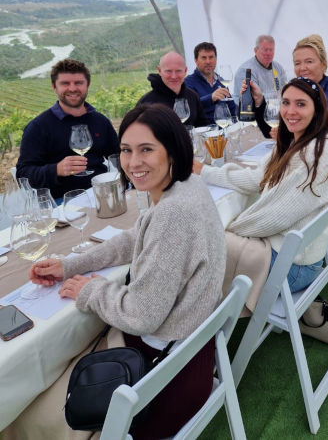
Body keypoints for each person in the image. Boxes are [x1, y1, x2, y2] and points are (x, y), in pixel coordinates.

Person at [12, 104, 226, 440]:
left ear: (172, 149)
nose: (133, 162)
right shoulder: (187, 186)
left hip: (162, 389)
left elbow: (141, 316)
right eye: (126, 150)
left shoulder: (173, 214)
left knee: (30, 400)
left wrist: (89, 290)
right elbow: (136, 236)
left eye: (146, 150)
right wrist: (70, 265)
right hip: (190, 361)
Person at [194, 77, 328, 294]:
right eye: (286, 102)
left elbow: (277, 215)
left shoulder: (320, 152)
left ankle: (199, 315)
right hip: (288, 250)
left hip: (294, 266)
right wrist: (204, 172)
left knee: (204, 244)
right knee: (204, 240)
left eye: (301, 104)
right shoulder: (295, 142)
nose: (290, 111)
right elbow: (255, 179)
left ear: (317, 110)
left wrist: (231, 229)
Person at [16, 59, 118, 200]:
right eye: (65, 83)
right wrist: (56, 169)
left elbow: (117, 155)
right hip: (62, 203)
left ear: (87, 85)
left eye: (78, 83)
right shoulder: (38, 127)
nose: (72, 88)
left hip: (104, 193)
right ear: (54, 87)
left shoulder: (100, 121)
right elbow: (23, 175)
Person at [250, 34, 328, 164]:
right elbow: (270, 133)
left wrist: (288, 140)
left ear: (323, 65)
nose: (302, 68)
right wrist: (260, 101)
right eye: (297, 63)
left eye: (309, 61)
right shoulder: (295, 94)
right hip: (300, 164)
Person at [137, 51, 207, 127]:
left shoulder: (192, 96)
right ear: (159, 71)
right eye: (168, 71)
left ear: (185, 71)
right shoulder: (146, 102)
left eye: (178, 71)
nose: (174, 76)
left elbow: (203, 126)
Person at [184, 42, 237, 123]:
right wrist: (211, 98)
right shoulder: (188, 82)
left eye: (211, 57)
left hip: (226, 129)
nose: (208, 61)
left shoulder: (221, 81)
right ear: (196, 60)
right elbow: (189, 106)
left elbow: (232, 109)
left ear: (216, 59)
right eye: (204, 58)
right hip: (204, 132)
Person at [233, 34, 287, 104]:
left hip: (275, 111)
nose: (268, 53)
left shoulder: (278, 68)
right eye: (265, 50)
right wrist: (277, 94)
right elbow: (255, 98)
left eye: (271, 50)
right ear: (255, 50)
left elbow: (286, 91)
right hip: (252, 112)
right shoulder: (246, 70)